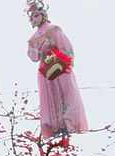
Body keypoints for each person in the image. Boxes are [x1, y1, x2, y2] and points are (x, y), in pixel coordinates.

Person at [25, 0, 88, 139]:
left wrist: (66, 63)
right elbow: (32, 55)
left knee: (66, 92)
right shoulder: (32, 39)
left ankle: (70, 124)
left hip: (60, 64)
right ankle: (54, 127)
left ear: (43, 14)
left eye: (35, 15)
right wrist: (41, 52)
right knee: (49, 96)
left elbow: (66, 47)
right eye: (31, 17)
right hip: (45, 70)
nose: (33, 19)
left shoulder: (54, 29)